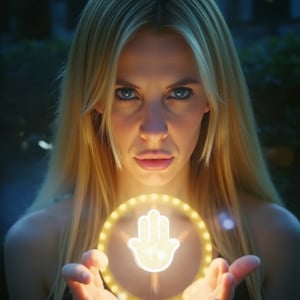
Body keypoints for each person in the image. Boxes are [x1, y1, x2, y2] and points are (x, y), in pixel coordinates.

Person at [4, 0, 300, 299]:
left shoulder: (274, 241)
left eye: (180, 93)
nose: (154, 131)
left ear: (213, 95)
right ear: (96, 100)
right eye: (126, 93)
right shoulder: (35, 248)